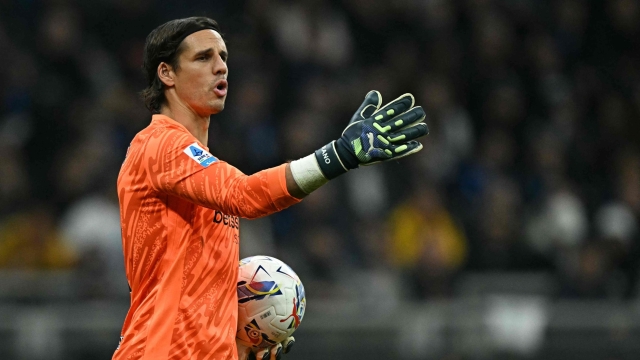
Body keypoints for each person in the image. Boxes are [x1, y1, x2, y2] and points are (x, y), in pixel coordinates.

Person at [114, 16, 428, 360]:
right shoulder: (159, 146)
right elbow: (245, 195)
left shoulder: (194, 164)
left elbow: (191, 295)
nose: (221, 67)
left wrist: (239, 348)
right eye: (203, 58)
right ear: (167, 74)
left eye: (223, 57)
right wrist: (337, 155)